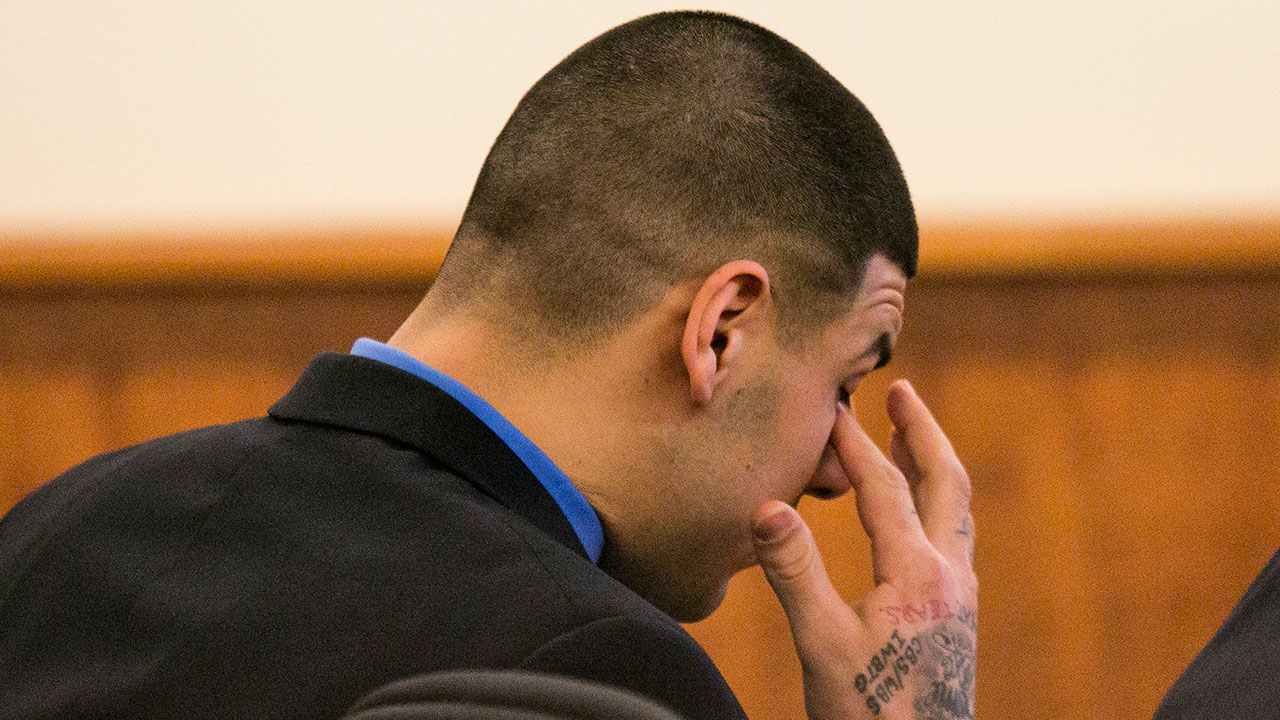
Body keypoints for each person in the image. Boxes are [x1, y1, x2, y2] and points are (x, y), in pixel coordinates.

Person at [0, 11, 977, 720]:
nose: (836, 468)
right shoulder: (593, 674)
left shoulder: (56, 527)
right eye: (844, 385)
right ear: (719, 331)